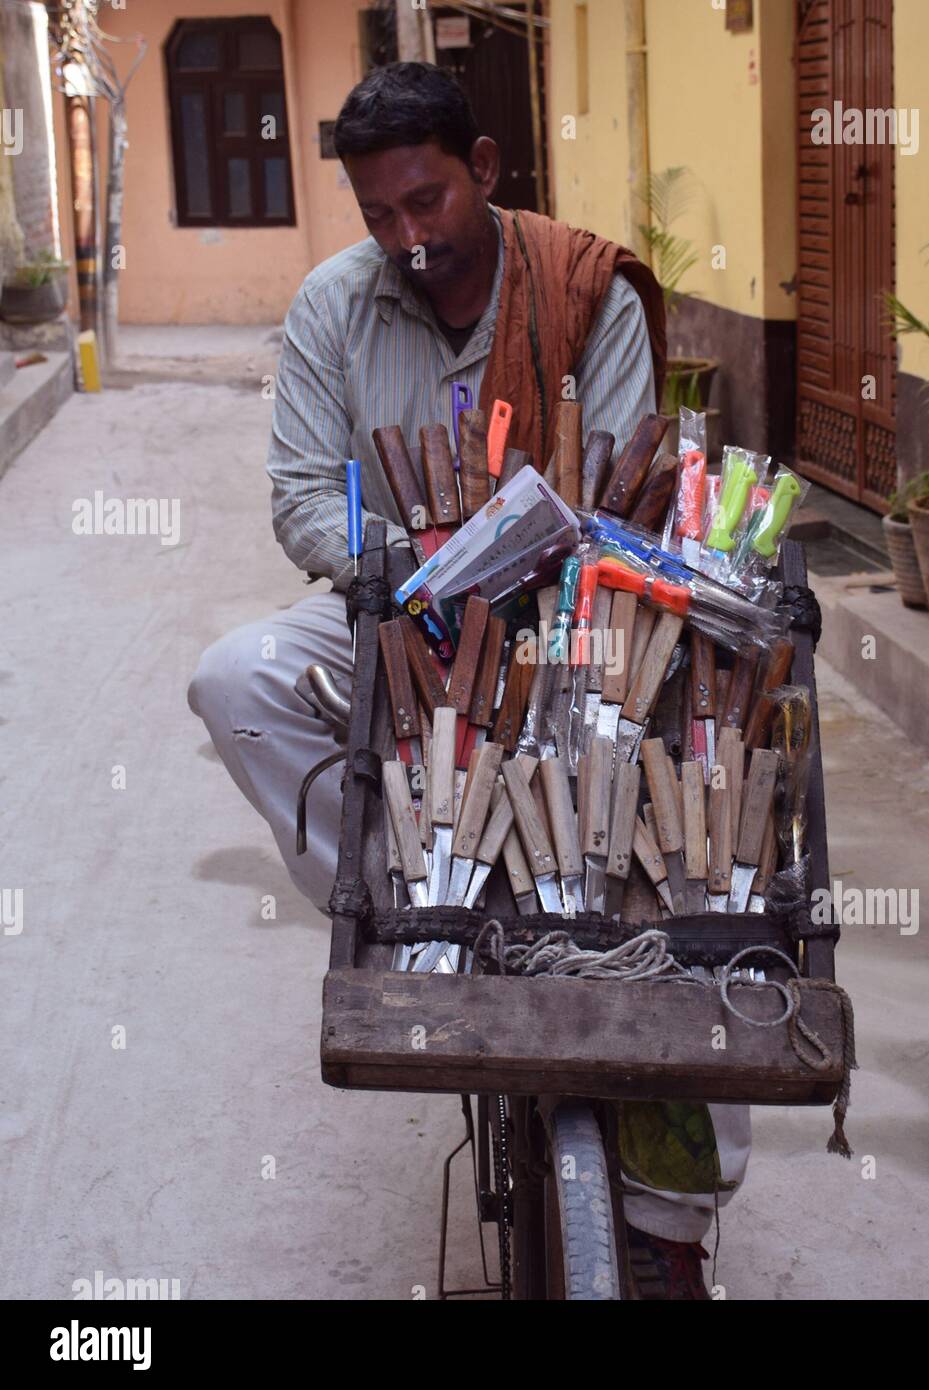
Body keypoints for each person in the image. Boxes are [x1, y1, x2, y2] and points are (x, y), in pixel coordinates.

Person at [189, 61, 750, 1300]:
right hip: (396, 610)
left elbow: (614, 493)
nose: (409, 237)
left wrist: (522, 562)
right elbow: (298, 496)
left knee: (695, 844)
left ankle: (667, 1222)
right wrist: (393, 562)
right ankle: (413, 908)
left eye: (428, 202)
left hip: (570, 616)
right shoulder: (335, 307)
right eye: (380, 214)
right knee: (237, 680)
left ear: (485, 171)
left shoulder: (580, 293)